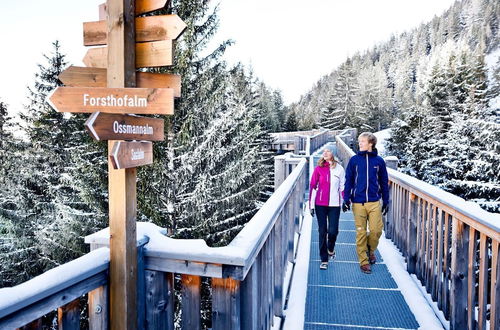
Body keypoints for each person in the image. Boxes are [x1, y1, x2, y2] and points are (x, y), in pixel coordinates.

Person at [342, 132, 389, 274]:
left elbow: (384, 182)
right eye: (359, 141)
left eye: (362, 141)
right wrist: (346, 198)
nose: (360, 143)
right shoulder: (354, 160)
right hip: (358, 202)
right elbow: (349, 180)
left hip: (374, 201)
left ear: (371, 143)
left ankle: (370, 249)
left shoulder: (379, 161)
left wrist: (386, 201)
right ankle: (363, 260)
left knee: (376, 230)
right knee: (361, 232)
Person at [309, 148, 345, 270]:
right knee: (322, 231)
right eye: (323, 152)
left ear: (333, 154)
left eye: (328, 151)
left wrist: (346, 201)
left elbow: (342, 187)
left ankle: (330, 249)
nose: (325, 153)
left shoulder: (339, 169)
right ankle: (324, 259)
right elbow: (313, 186)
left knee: (333, 231)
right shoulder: (318, 168)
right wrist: (311, 205)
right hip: (320, 204)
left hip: (335, 204)